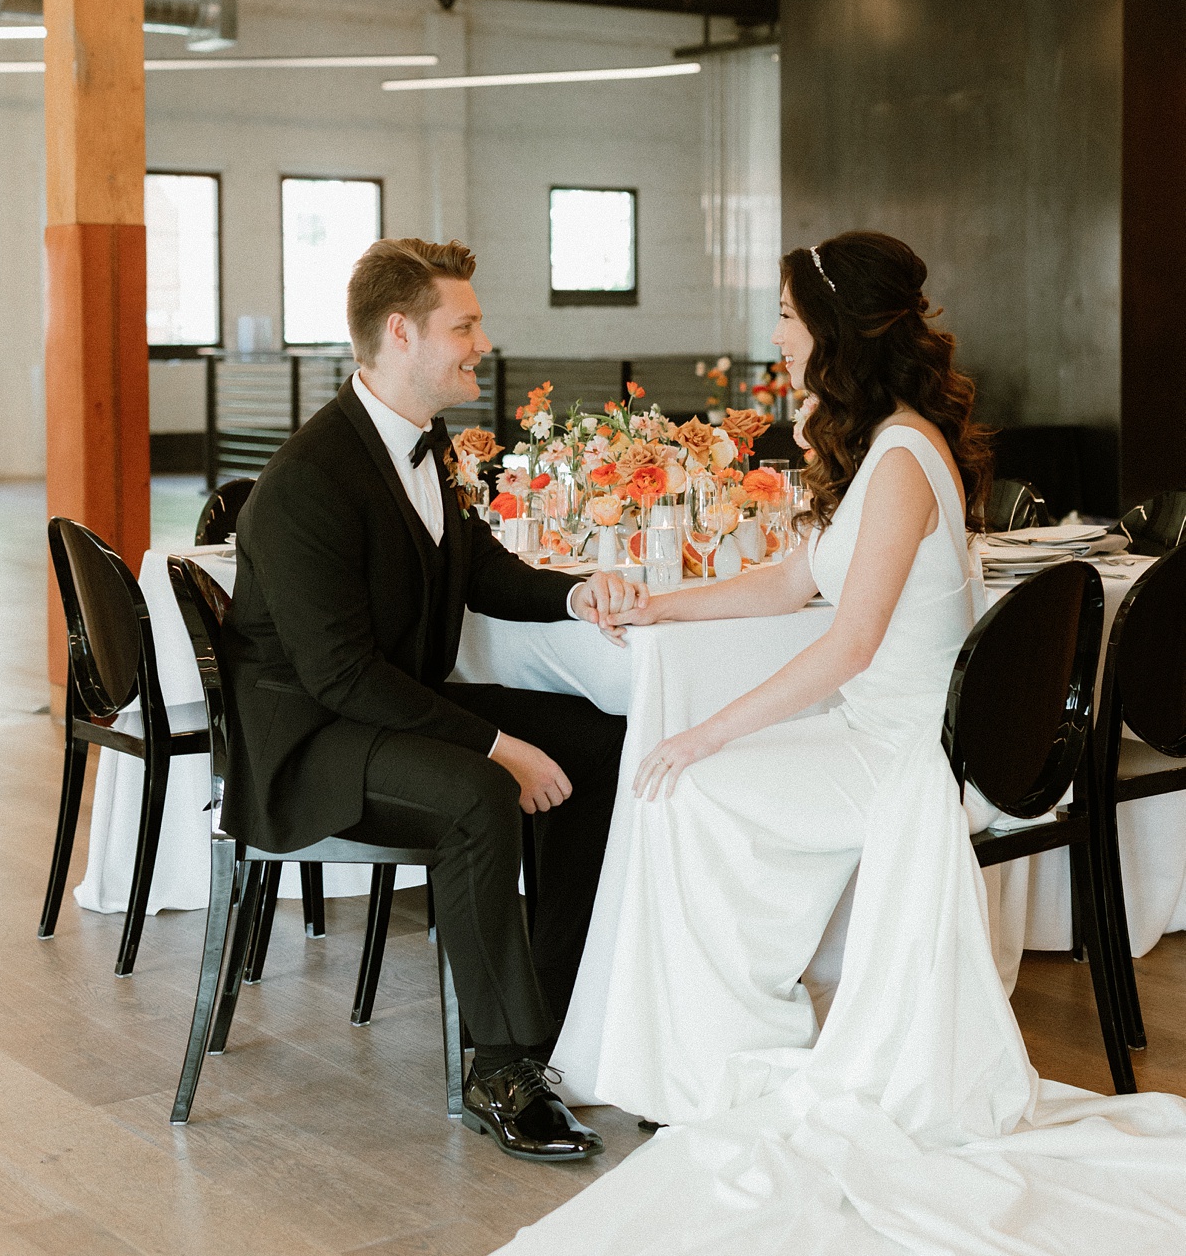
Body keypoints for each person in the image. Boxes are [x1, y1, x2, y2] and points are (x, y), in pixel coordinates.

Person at [497, 232, 1186, 1256]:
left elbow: (850, 641)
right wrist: (660, 609)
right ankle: (721, 1046)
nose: (772, 335)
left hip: (906, 754)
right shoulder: (881, 443)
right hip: (876, 731)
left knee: (685, 788)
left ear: (831, 328)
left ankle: (734, 1055)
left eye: (783, 315)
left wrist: (705, 731)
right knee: (687, 789)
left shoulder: (904, 456)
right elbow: (790, 583)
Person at [223, 236, 644, 1163]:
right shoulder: (306, 482)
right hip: (310, 740)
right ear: (403, 333)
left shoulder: (427, 442)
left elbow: (477, 568)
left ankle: (557, 1010)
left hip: (386, 707)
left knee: (601, 741)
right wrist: (497, 744)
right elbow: (339, 677)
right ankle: (500, 1066)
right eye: (467, 325)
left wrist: (574, 592)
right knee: (479, 793)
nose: (482, 342)